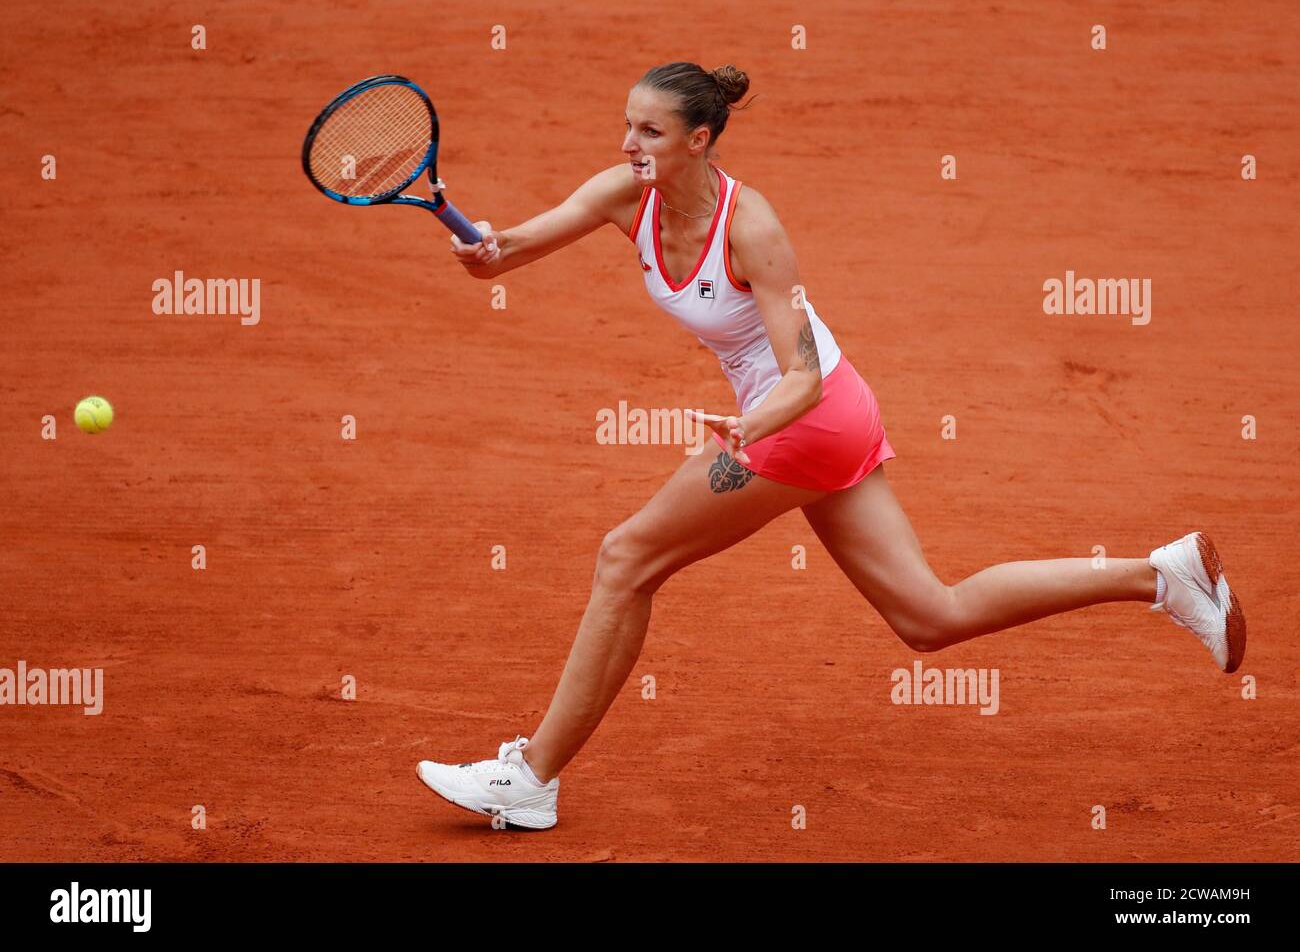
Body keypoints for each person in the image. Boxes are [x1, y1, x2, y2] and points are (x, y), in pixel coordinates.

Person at [415, 62, 1246, 830]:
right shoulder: (621, 193)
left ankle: (531, 778)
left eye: (651, 132)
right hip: (814, 416)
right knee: (929, 615)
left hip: (803, 416)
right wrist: (483, 249)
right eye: (627, 126)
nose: (629, 144)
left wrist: (754, 427)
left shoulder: (753, 227)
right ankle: (1159, 575)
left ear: (699, 140)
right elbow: (510, 251)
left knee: (625, 558)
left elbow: (802, 377)